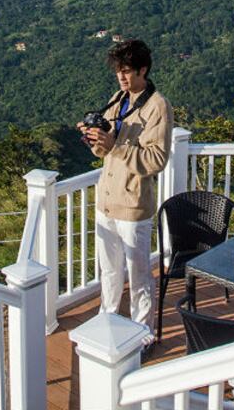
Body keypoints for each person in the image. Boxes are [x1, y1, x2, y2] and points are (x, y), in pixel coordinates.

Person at [79, 39, 172, 345]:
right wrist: (95, 140)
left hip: (133, 206)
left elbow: (156, 160)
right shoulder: (118, 98)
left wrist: (115, 146)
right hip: (107, 202)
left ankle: (142, 336)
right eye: (118, 71)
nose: (121, 77)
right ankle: (108, 326)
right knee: (108, 272)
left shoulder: (158, 106)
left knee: (140, 277)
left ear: (143, 69)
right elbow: (105, 153)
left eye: (128, 71)